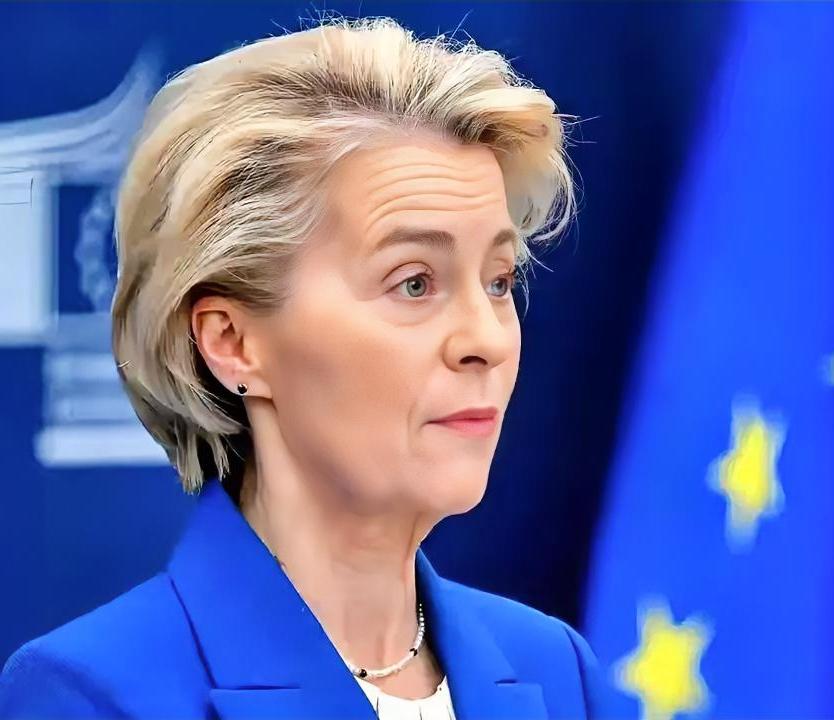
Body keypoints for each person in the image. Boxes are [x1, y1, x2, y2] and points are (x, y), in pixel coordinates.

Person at [0, 15, 614, 719]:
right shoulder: (92, 693)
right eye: (414, 282)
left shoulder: (559, 671)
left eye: (499, 282)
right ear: (232, 341)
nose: (487, 339)